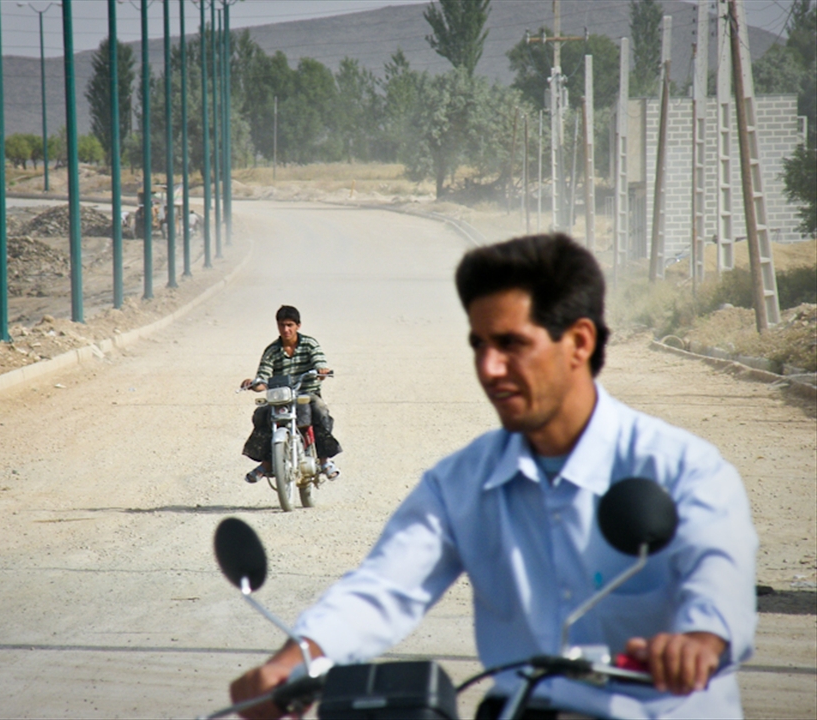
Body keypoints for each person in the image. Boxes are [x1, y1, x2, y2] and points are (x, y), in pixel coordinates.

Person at [229, 235, 757, 719]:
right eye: (480, 345)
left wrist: (698, 641)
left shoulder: (685, 470)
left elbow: (718, 580)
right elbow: (383, 588)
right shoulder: (461, 482)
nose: (489, 368)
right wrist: (293, 660)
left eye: (511, 344)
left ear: (579, 342)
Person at [240, 305, 342, 484]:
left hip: (306, 394)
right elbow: (263, 377)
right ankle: (267, 463)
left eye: (289, 325)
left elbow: (319, 361)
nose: (286, 330)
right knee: (261, 415)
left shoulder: (310, 344)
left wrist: (322, 370)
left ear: (298, 326)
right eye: (281, 325)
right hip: (280, 396)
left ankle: (324, 460)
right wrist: (253, 384)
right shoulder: (271, 350)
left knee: (320, 412)